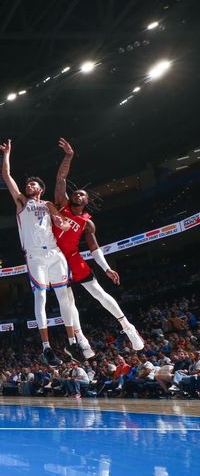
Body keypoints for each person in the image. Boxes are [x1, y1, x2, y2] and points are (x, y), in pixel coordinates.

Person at [52, 138, 145, 355]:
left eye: (82, 194)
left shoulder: (87, 222)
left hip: (73, 258)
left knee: (98, 293)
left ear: (86, 201)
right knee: (67, 301)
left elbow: (94, 249)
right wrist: (69, 156)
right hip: (55, 259)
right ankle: (82, 340)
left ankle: (128, 327)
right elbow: (60, 178)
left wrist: (106, 268)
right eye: (76, 192)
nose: (78, 194)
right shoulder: (61, 205)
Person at [0, 138, 76, 367]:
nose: (29, 186)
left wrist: (62, 224)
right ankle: (46, 347)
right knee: (40, 296)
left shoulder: (49, 204)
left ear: (41, 189)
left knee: (64, 296)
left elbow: (59, 220)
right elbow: (6, 177)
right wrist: (6, 154)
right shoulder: (22, 202)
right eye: (28, 184)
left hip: (54, 252)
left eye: (34, 185)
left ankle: (72, 341)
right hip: (34, 256)